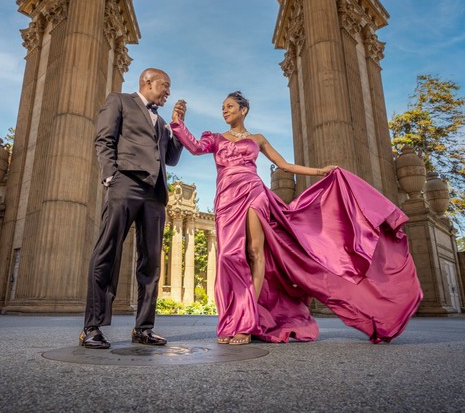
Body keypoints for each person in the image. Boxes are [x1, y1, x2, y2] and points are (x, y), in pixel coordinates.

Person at [170, 91, 422, 345]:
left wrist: (319, 171)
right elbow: (194, 147)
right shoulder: (213, 137)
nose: (224, 111)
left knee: (256, 253)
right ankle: (230, 320)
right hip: (226, 197)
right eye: (222, 107)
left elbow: (284, 165)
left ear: (243, 110)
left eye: (230, 106)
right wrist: (179, 124)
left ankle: (245, 324)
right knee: (228, 256)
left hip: (254, 192)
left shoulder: (257, 139)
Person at [81, 68, 184, 349]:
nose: (168, 91)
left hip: (155, 192)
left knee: (150, 262)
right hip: (125, 182)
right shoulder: (120, 101)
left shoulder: (162, 123)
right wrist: (110, 175)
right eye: (165, 85)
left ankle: (144, 328)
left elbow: (172, 158)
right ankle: (92, 326)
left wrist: (177, 126)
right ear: (147, 82)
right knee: (108, 251)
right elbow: (104, 139)